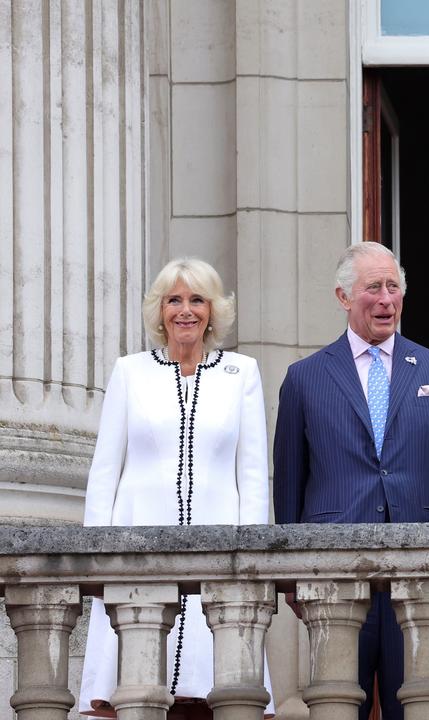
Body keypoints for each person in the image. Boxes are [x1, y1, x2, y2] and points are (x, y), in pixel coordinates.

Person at [273, 242, 429, 720]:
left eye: (394, 286)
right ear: (343, 296)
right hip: (333, 575)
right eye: (373, 287)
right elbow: (289, 484)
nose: (386, 299)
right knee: (337, 707)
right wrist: (293, 578)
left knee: (422, 705)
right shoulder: (304, 378)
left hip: (421, 576)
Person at [80, 258, 270, 718]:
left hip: (219, 551)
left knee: (215, 692)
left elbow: (253, 474)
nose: (186, 311)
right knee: (136, 692)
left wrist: (255, 559)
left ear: (213, 311)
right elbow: (105, 469)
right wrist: (93, 554)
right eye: (174, 300)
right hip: (136, 547)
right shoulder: (130, 371)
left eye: (197, 299)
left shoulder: (242, 373)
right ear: (160, 311)